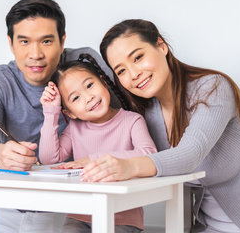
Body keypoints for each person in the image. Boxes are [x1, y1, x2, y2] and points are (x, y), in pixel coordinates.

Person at [82, 19, 240, 233]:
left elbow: (190, 154)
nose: (134, 74)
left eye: (138, 57)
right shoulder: (149, 116)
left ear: (161, 46)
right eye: (121, 71)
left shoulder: (213, 88)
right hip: (208, 227)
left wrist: (130, 167)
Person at [0, 0, 118, 233]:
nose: (35, 54)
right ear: (11, 42)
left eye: (46, 41)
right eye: (24, 41)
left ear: (62, 40)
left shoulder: (84, 64)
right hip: (12, 206)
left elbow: (125, 114)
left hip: (76, 206)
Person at [39, 53, 157, 233]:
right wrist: (50, 111)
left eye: (89, 85)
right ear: (70, 113)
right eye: (75, 98)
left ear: (103, 81)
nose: (88, 97)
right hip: (80, 215)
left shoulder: (132, 121)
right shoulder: (74, 128)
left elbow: (149, 154)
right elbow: (49, 159)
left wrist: (92, 160)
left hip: (122, 218)